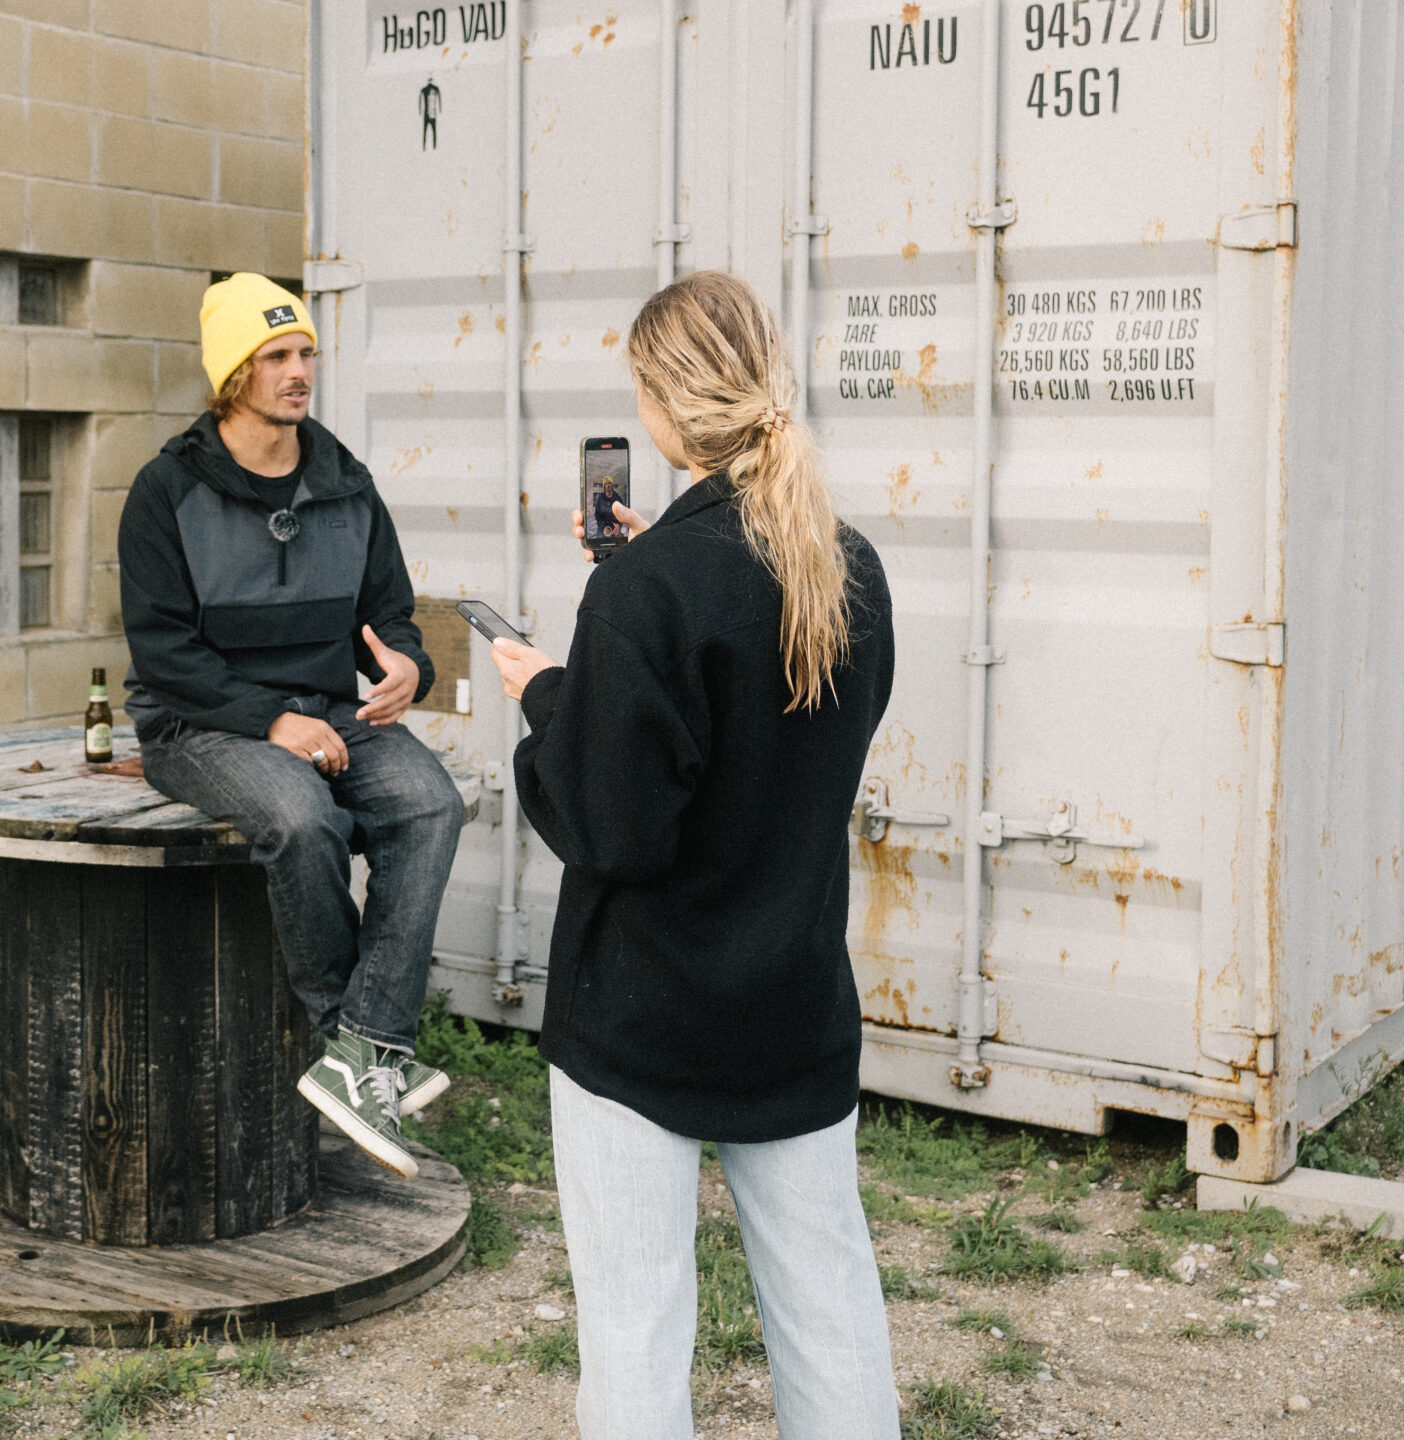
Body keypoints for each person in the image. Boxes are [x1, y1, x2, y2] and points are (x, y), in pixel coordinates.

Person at [488, 270, 902, 1438]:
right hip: (793, 1000)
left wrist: (552, 695)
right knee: (828, 1303)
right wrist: (631, 597)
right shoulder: (848, 567)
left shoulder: (647, 594)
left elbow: (610, 825)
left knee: (634, 1323)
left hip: (644, 1013)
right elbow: (774, 750)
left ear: (664, 407)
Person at [118, 273, 463, 1181]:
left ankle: (366, 1047)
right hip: (198, 723)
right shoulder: (165, 491)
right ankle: (352, 1040)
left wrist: (405, 666)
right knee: (303, 817)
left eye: (305, 352)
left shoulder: (346, 482)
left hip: (329, 708)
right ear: (234, 373)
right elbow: (163, 652)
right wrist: (269, 721)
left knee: (431, 804)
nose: (299, 370)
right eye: (276, 355)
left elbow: (390, 613)